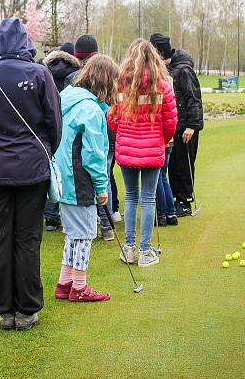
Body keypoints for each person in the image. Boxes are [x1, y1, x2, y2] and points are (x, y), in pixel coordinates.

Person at [0, 17, 61, 330]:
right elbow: (54, 122)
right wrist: (44, 152)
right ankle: (27, 309)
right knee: (27, 238)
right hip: (31, 168)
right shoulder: (40, 74)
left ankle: (5, 309)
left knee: (0, 238)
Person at [54, 55, 119, 303]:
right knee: (85, 234)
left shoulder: (66, 98)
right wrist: (102, 187)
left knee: (73, 233)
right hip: (79, 180)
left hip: (64, 178)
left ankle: (65, 282)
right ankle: (79, 287)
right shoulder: (90, 109)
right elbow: (94, 154)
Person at [107, 39, 177, 267]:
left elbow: (113, 118)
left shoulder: (121, 84)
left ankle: (129, 249)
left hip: (127, 148)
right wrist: (161, 140)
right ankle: (145, 251)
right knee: (147, 199)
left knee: (131, 197)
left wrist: (124, 131)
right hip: (152, 148)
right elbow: (170, 123)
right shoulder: (163, 86)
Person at [149, 33, 204, 218]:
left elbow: (194, 99)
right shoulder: (167, 70)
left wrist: (192, 126)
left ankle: (185, 201)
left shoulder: (184, 70)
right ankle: (173, 198)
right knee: (172, 165)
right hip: (172, 127)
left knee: (184, 165)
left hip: (186, 127)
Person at [41, 48, 82, 232]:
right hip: (70, 124)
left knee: (51, 170)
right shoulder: (76, 73)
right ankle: (68, 216)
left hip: (48, 124)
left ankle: (50, 217)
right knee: (69, 171)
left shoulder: (44, 70)